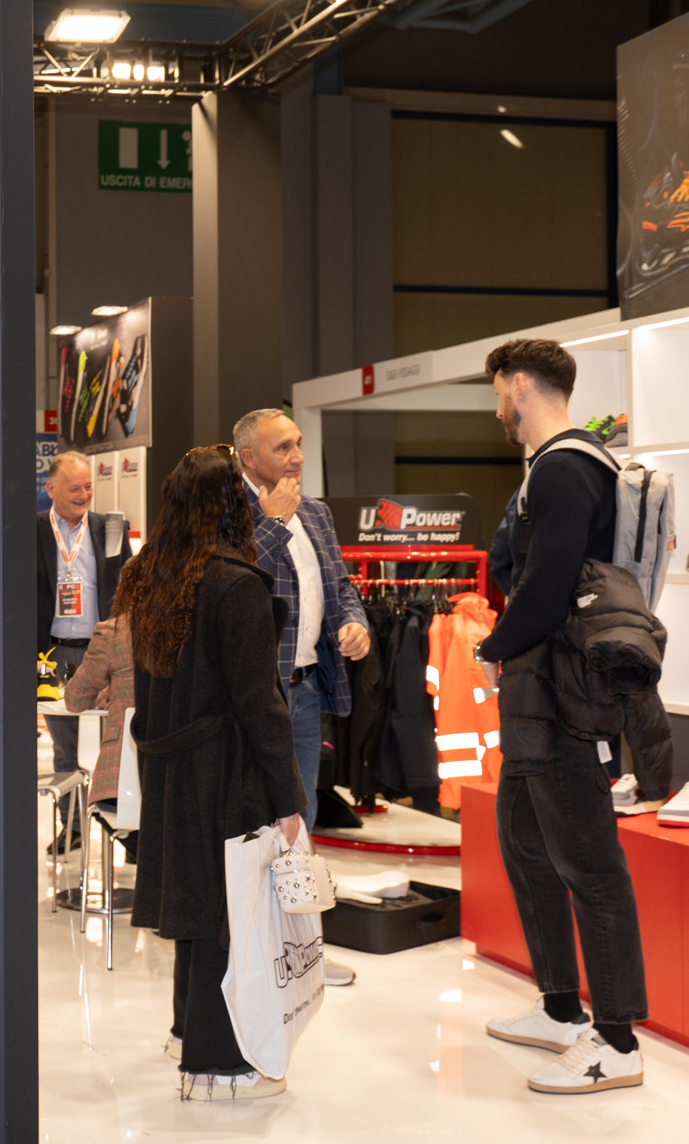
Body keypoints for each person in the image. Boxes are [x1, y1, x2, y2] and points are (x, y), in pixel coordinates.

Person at [472, 338, 648, 1094]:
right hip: (540, 695)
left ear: (519, 385)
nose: (496, 408)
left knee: (591, 865)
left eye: (496, 391)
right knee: (524, 841)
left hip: (563, 695)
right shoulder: (558, 466)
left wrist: (491, 648)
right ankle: (559, 1007)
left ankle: (618, 1043)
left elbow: (544, 590)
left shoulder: (565, 469)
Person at [123, 445, 307, 1102]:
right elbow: (261, 706)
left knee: (195, 906)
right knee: (229, 914)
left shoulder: (149, 575)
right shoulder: (236, 583)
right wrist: (287, 797)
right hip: (225, 772)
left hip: (169, 770)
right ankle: (218, 1064)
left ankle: (186, 1032)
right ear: (232, 505)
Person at [233, 408, 371, 988]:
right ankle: (250, 951)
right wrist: (270, 522)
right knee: (253, 823)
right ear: (248, 458)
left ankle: (301, 948)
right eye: (282, 447)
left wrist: (355, 622)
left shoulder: (316, 512)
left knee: (302, 819)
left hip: (307, 689)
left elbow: (337, 586)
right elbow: (234, 587)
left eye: (298, 444)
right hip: (252, 696)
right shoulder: (227, 512)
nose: (296, 457)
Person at [37, 451, 132, 852]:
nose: (83, 494)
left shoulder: (110, 527)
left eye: (88, 486)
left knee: (121, 746)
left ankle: (127, 832)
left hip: (105, 653)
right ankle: (72, 828)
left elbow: (129, 587)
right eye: (74, 488)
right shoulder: (33, 530)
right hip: (54, 655)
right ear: (51, 488)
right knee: (65, 749)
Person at [62, 615, 137, 866]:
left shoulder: (115, 631)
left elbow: (75, 700)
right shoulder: (192, 625)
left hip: (121, 783)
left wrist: (114, 689)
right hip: (183, 779)